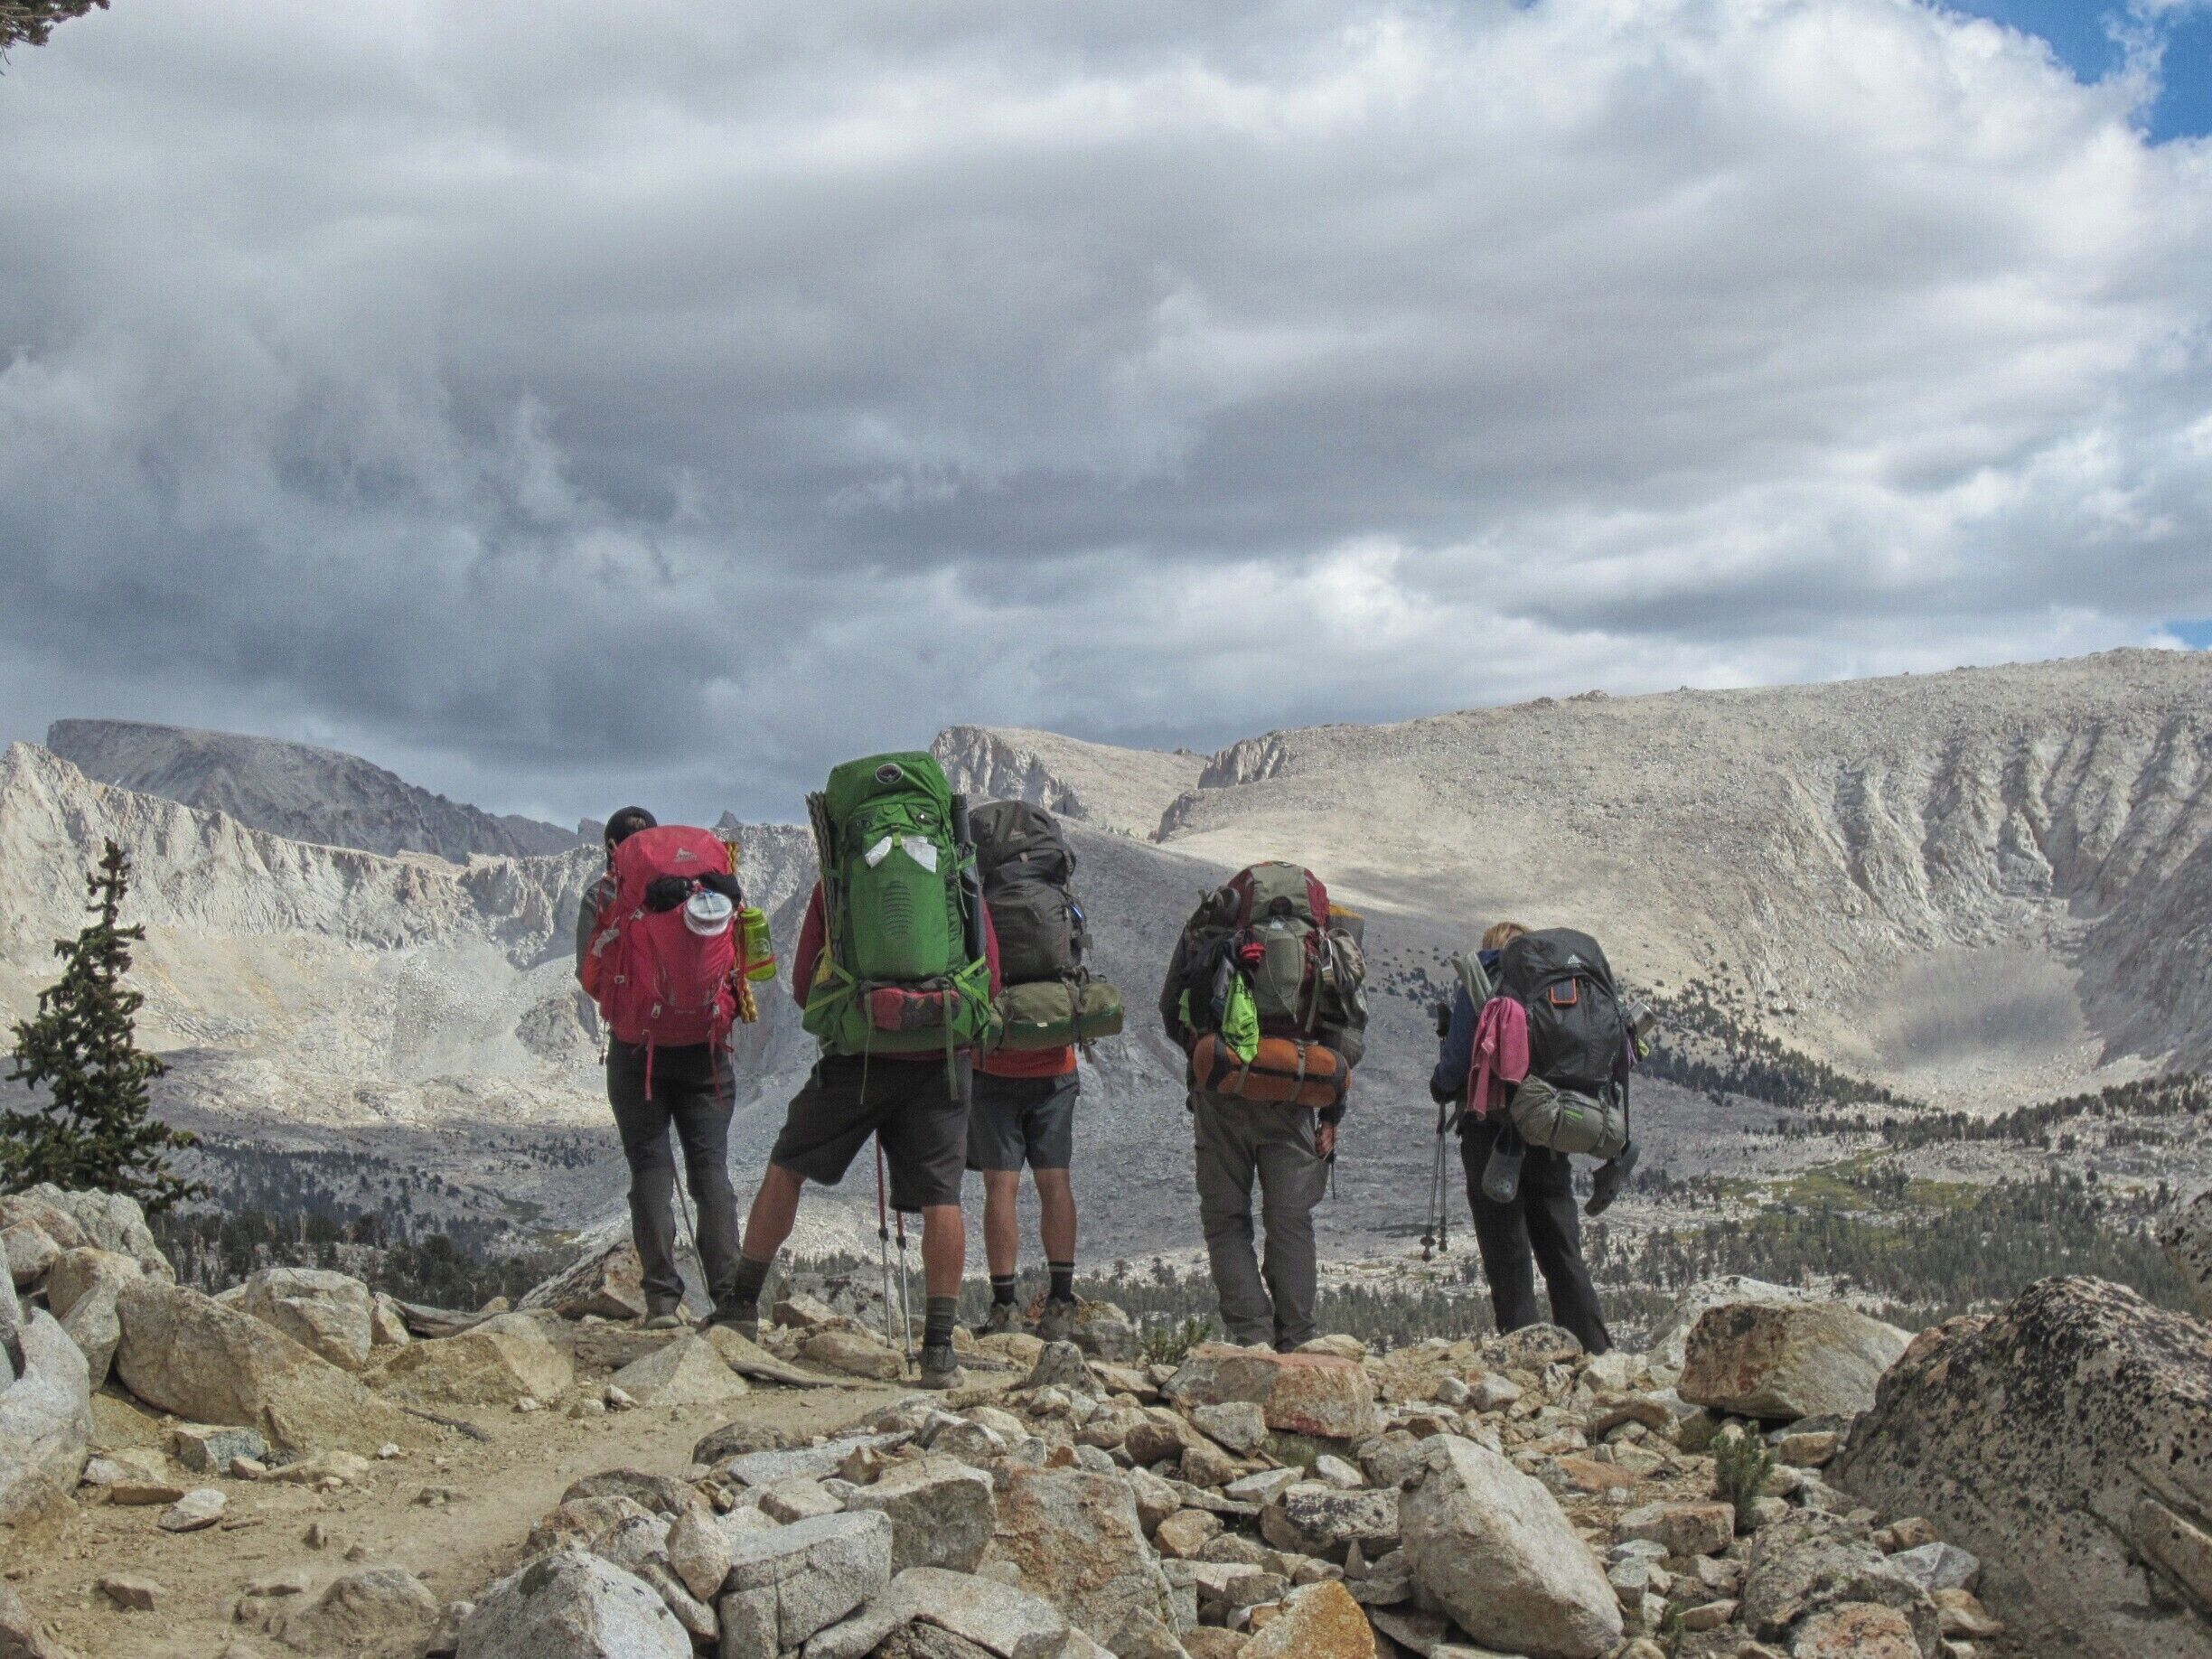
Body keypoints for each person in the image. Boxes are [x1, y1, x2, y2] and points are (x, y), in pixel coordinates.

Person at [719, 878, 1002, 1388]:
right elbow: (992, 981)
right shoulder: (957, 874)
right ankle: (939, 1351)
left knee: (788, 1165)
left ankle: (740, 1306)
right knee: (943, 1196)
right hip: (941, 1055)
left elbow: (806, 986)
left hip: (859, 1057)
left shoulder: (840, 875)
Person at [1160, 864, 1360, 1353]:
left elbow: (1171, 1008)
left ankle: (1252, 1339)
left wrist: (1210, 1058)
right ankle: (1298, 1340)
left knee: (1226, 1220)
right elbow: (1347, 1037)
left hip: (1223, 1093)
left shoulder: (1213, 926)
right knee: (1290, 1219)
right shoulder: (1325, 940)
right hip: (1293, 1094)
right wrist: (1331, 1112)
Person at [573, 806, 746, 1332]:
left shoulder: (604, 894)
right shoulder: (709, 886)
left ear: (612, 850)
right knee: (710, 1172)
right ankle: (731, 1302)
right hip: (706, 1051)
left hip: (636, 1054)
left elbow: (590, 976)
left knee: (651, 1170)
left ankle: (663, 1304)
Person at [1430, 920, 1611, 1354]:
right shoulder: (1560, 987)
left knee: (1508, 1256)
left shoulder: (1485, 975)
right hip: (1551, 1127)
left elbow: (1455, 1066)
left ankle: (1524, 1359)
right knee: (1563, 1251)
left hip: (1491, 1133)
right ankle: (1597, 1356)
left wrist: (1440, 1084)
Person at [969, 1037, 1080, 1342]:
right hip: (1056, 1070)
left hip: (993, 1071)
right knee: (1056, 1182)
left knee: (1000, 1186)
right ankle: (1061, 1309)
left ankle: (1005, 1310)